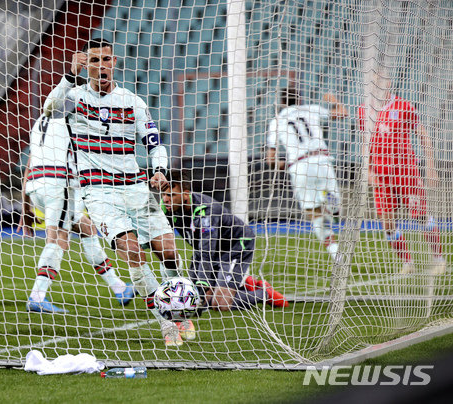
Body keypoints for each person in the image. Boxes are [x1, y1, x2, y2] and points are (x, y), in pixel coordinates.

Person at [42, 38, 188, 346]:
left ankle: (178, 307)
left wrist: (159, 170)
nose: (101, 66)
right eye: (94, 61)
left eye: (105, 59)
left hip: (135, 187)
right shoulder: (75, 98)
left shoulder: (132, 101)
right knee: (132, 250)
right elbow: (50, 109)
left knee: (168, 250)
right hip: (99, 192)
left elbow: (154, 142)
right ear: (86, 65)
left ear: (115, 62)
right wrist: (69, 75)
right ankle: (167, 323)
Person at [18, 113, 135, 313]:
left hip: (36, 186)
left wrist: (25, 207)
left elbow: (29, 164)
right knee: (58, 238)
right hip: (59, 184)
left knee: (87, 228)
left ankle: (120, 288)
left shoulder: (41, 122)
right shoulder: (74, 121)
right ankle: (37, 297)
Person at [160, 170, 288, 313]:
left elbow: (207, 252)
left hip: (235, 246)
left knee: (221, 304)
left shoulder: (206, 211)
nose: (165, 199)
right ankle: (244, 287)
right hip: (209, 249)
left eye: (171, 195)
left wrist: (202, 285)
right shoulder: (166, 209)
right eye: (164, 194)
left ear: (185, 194)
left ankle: (264, 293)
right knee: (199, 301)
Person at [358, 74, 446, 274]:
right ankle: (407, 263)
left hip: (406, 174)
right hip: (381, 176)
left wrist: (430, 166)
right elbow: (365, 142)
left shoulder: (404, 106)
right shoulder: (363, 110)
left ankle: (439, 259)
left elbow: (422, 135)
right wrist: (368, 170)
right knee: (388, 224)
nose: (377, 84)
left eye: (381, 80)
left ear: (389, 82)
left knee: (421, 216)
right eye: (374, 81)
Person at [266, 86, 347, 262]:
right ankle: (332, 206)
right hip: (322, 161)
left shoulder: (277, 121)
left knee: (313, 212)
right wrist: (333, 99)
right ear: (300, 99)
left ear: (282, 102)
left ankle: (336, 254)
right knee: (334, 206)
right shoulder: (312, 109)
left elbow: (270, 159)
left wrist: (281, 164)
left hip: (300, 165)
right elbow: (343, 113)